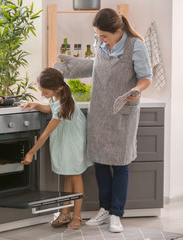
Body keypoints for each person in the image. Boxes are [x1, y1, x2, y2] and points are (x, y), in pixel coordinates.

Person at [55, 8, 152, 233]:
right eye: (97, 35)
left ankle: (116, 213)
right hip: (100, 110)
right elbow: (96, 65)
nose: (100, 39)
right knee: (100, 160)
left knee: (120, 163)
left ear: (118, 32)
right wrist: (70, 67)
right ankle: (104, 209)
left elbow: (145, 78)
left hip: (122, 110)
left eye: (104, 36)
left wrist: (136, 90)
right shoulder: (101, 43)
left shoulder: (135, 45)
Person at [20, 67, 93, 230]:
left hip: (73, 141)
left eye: (44, 93)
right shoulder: (57, 96)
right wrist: (37, 105)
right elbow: (50, 108)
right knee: (67, 175)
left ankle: (77, 215)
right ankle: (65, 212)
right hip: (64, 139)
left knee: (75, 176)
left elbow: (46, 134)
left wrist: (31, 152)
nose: (43, 95)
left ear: (57, 88)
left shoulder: (63, 104)